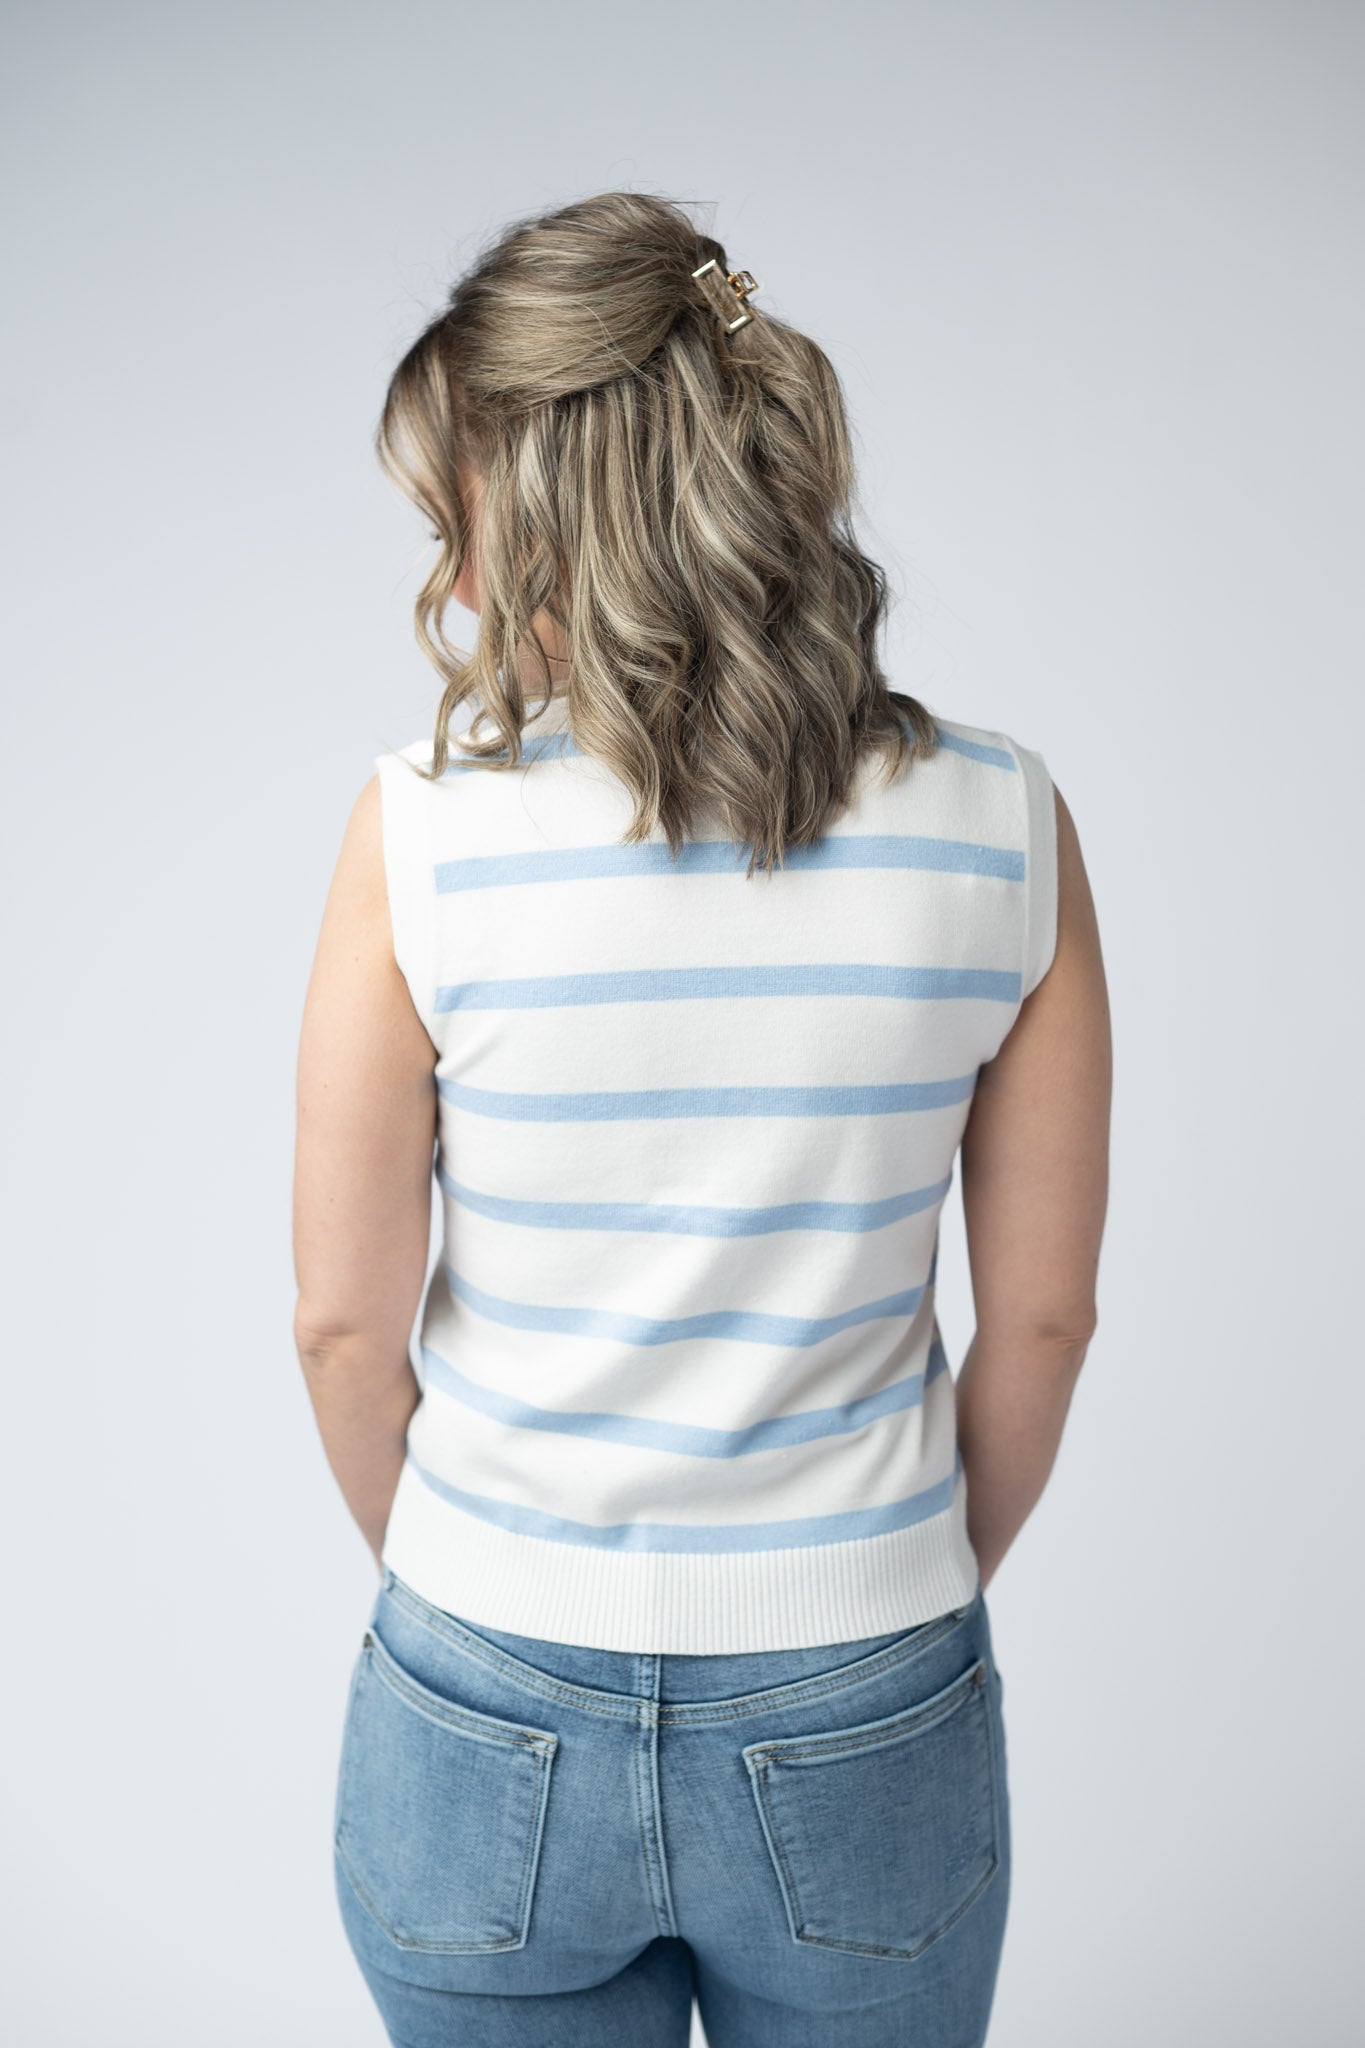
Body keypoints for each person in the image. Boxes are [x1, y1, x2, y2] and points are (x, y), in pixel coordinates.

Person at [293, 189, 1111, 2048]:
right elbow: (1045, 1321)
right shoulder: (1002, 825)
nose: (458, 585)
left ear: (562, 511)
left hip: (483, 1697)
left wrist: (484, 1589)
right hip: (860, 1693)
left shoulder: (418, 835)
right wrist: (886, 1594)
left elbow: (341, 1324)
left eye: (465, 521)